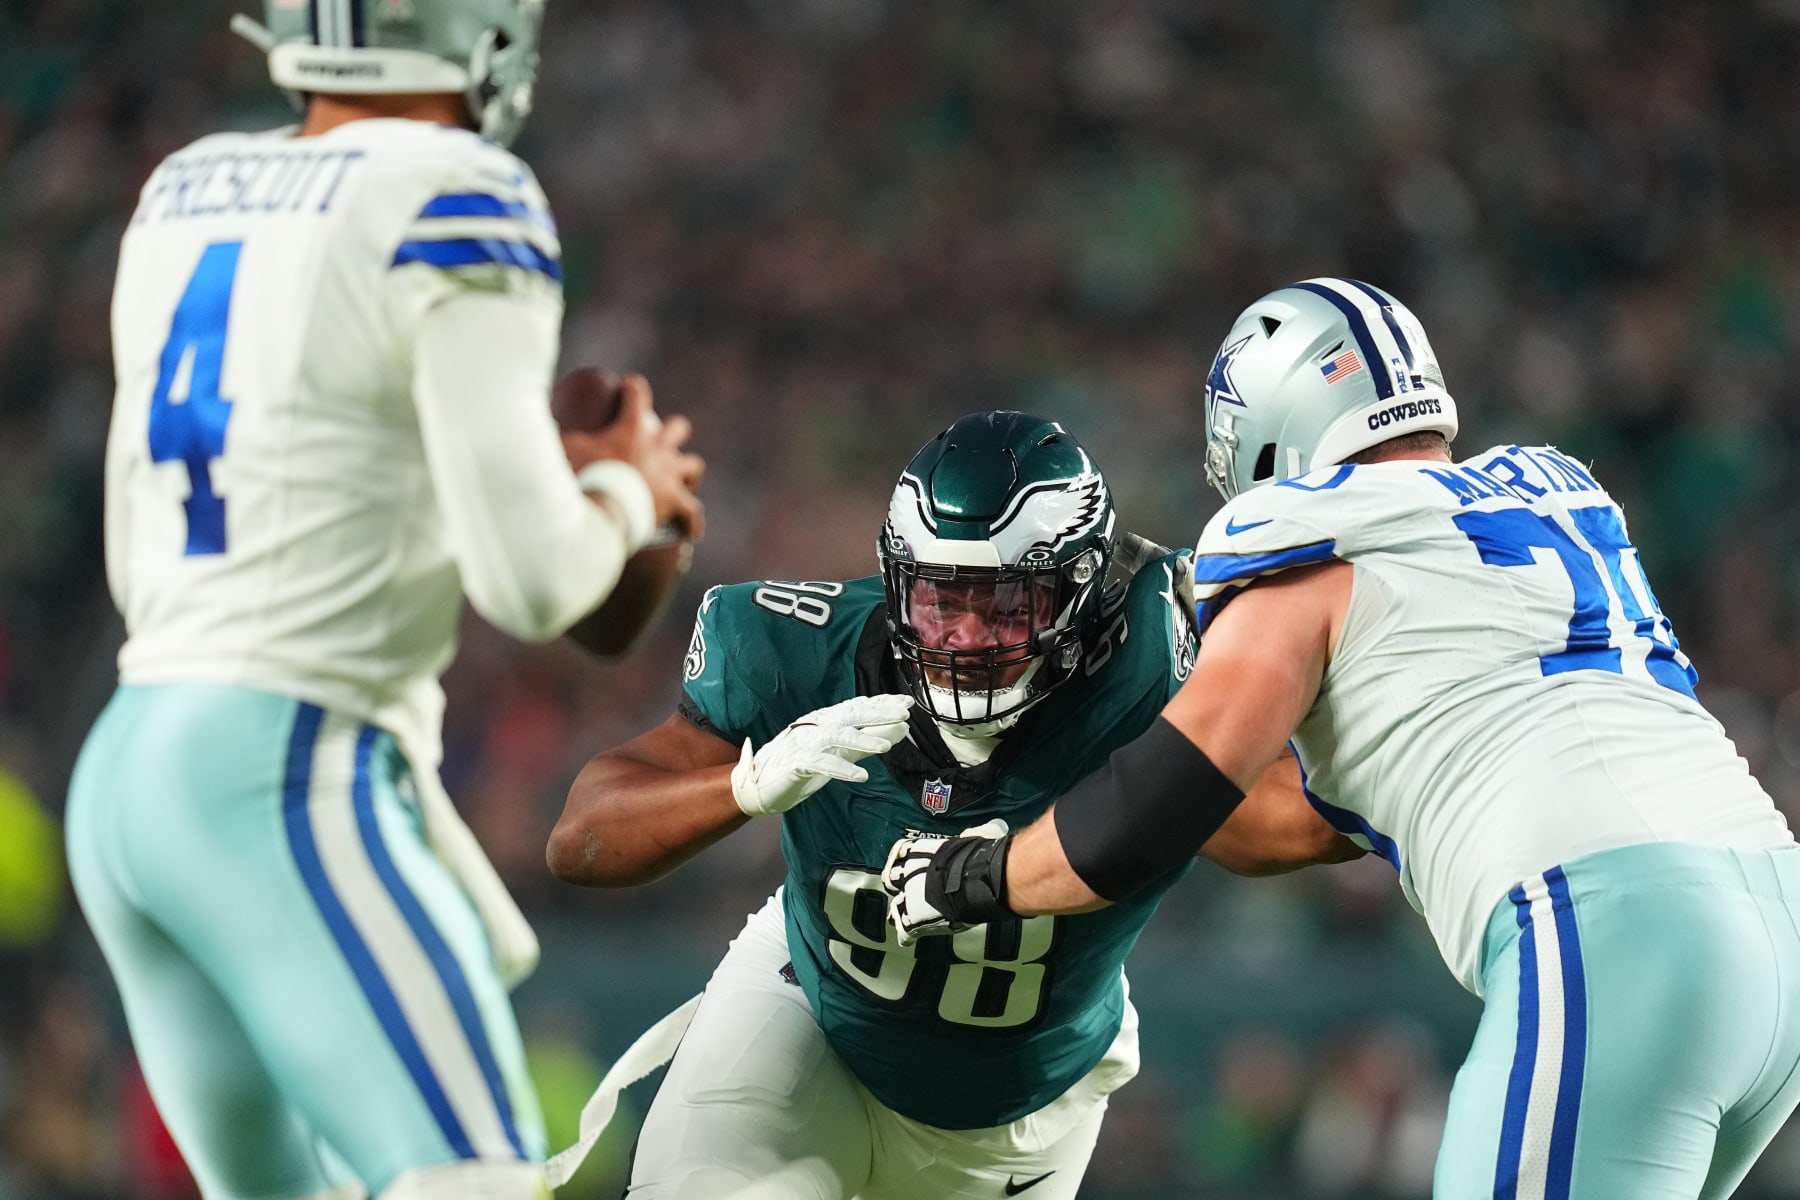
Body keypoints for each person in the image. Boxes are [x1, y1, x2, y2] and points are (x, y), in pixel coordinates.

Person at [884, 279, 1800, 1198]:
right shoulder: (1546, 498)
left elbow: (1154, 809)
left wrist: (969, 874)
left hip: (1613, 935)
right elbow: (1304, 823)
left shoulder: (1302, 536)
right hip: (1773, 919)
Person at [63, 3, 705, 1198]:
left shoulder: (187, 185)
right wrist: (626, 491)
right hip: (283, 764)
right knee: (478, 1181)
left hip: (130, 765)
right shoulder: (458, 188)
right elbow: (531, 584)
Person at [546, 410, 1353, 1198]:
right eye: (940, 599)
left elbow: (1297, 826)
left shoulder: (1150, 669)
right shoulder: (794, 648)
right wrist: (740, 789)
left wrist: (1221, 712)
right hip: (813, 1015)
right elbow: (579, 841)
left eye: (1005, 605)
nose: (964, 636)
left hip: (1023, 1103)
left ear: (1084, 590)